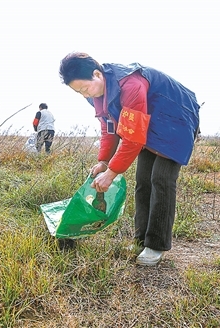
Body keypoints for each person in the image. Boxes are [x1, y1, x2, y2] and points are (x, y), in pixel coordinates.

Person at [59, 52, 200, 267]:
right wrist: (104, 161)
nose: (84, 94)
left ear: (97, 74)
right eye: (78, 92)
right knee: (143, 181)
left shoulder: (130, 85)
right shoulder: (97, 94)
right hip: (149, 126)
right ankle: (140, 239)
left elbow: (132, 138)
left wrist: (112, 173)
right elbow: (109, 128)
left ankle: (156, 245)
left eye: (84, 88)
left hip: (176, 122)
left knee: (161, 179)